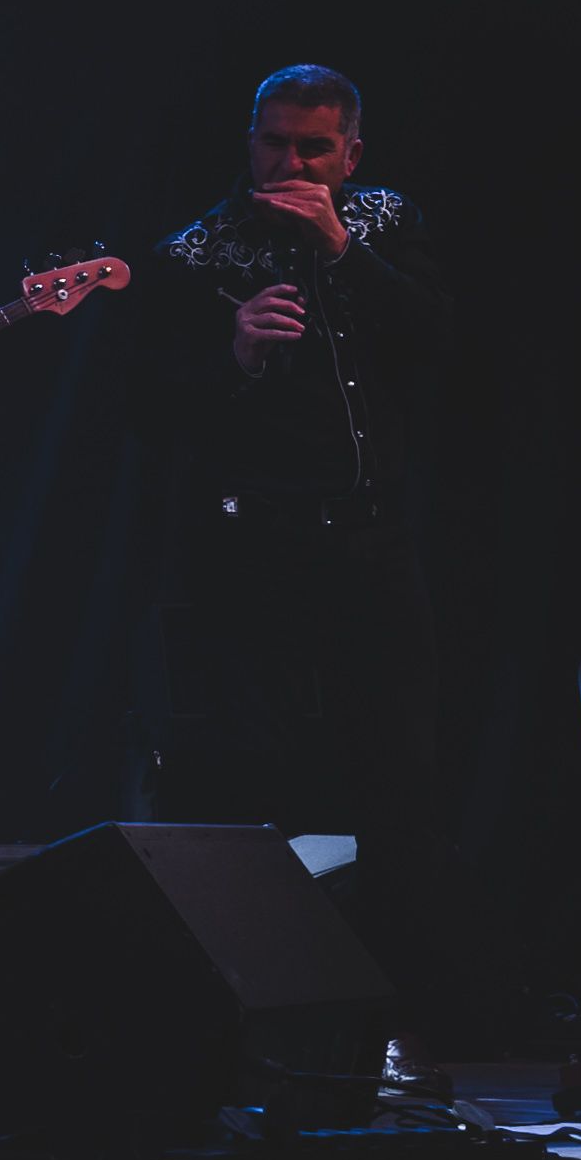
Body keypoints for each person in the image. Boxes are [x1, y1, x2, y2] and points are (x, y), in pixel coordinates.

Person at [141, 63, 454, 986]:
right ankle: (256, 1000)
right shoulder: (197, 252)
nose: (291, 161)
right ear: (249, 143)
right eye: (274, 141)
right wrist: (233, 355)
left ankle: (401, 1009)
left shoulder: (387, 225)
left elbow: (442, 346)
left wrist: (342, 251)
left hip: (371, 546)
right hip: (251, 553)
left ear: (350, 154)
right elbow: (149, 416)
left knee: (398, 781)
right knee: (252, 780)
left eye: (313, 146)